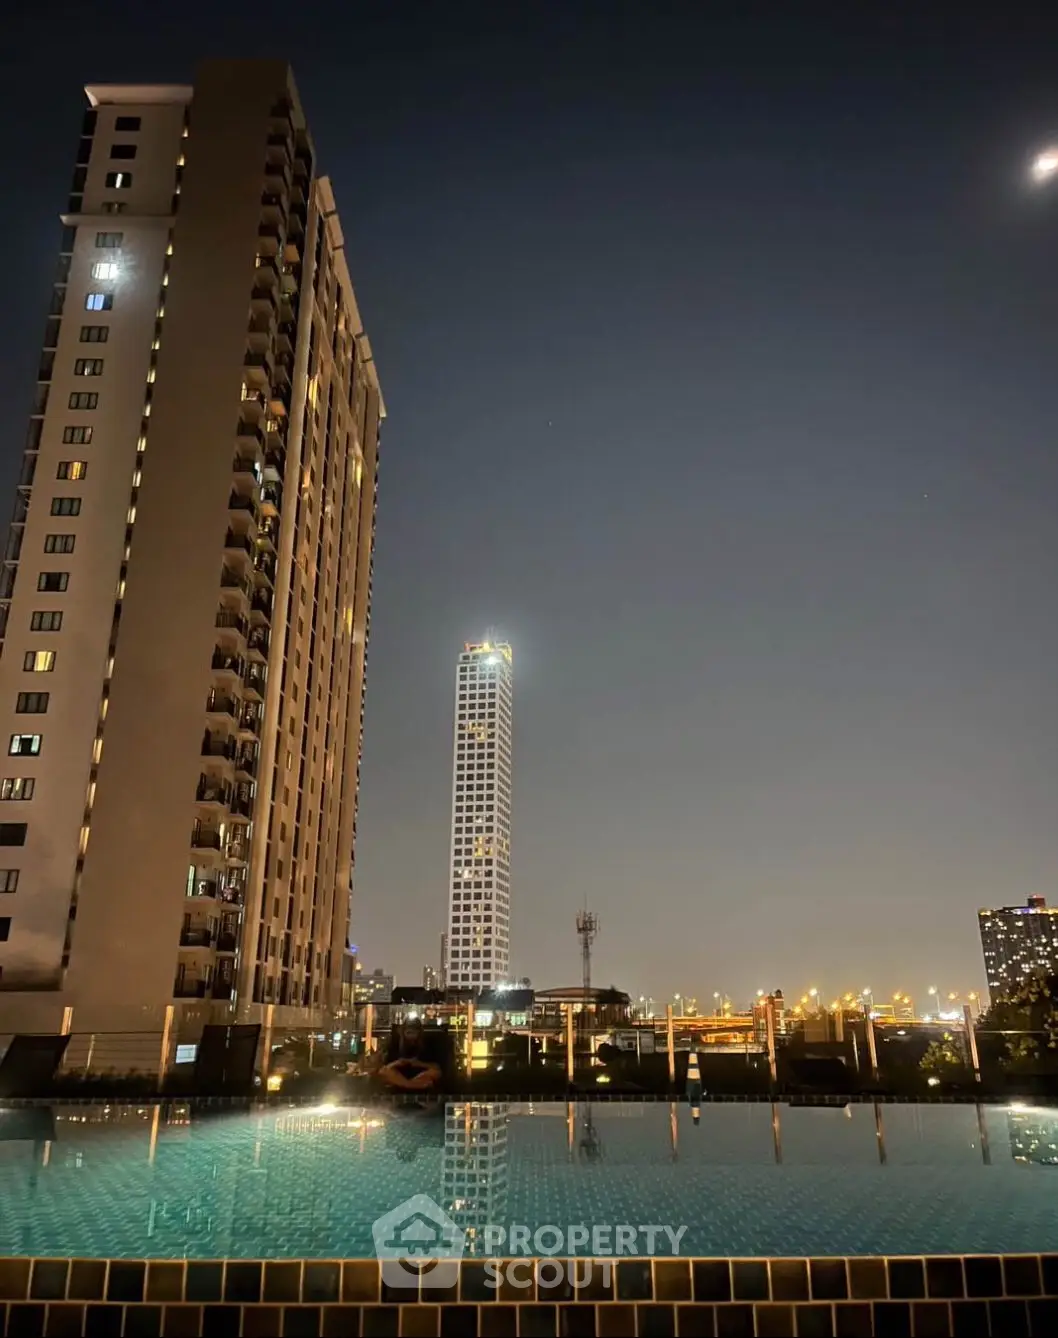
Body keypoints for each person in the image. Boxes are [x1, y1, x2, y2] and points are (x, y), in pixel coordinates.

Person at [377, 1019, 443, 1091]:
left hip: (420, 1076)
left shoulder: (428, 1044)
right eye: (409, 1032)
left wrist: (419, 1063)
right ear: (403, 1032)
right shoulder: (394, 1044)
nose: (411, 1036)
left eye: (414, 1033)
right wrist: (397, 1063)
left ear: (419, 1033)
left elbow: (437, 1067)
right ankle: (413, 1085)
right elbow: (385, 1069)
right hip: (400, 1077)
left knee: (436, 1073)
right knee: (384, 1072)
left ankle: (408, 1085)